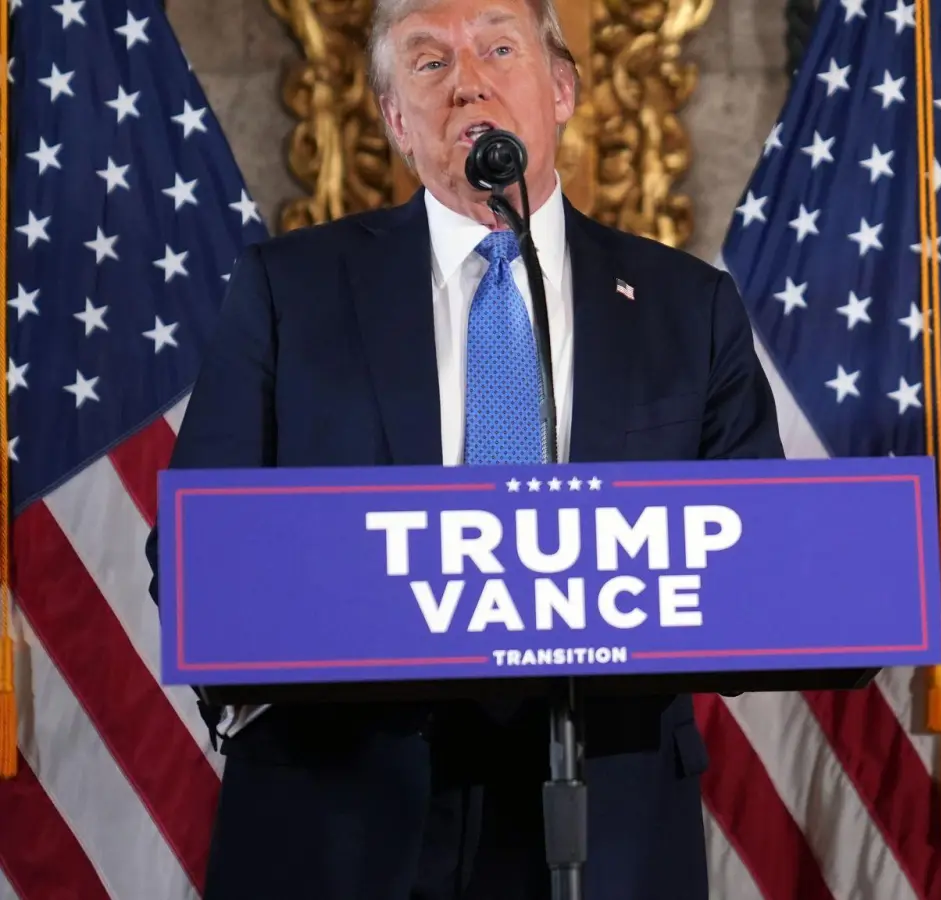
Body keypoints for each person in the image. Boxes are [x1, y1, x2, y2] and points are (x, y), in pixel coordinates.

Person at [145, 0, 782, 897]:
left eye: (497, 47)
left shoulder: (690, 307)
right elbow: (191, 550)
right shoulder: (289, 293)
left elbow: (764, 556)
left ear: (560, 89)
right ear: (395, 120)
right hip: (342, 809)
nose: (469, 81)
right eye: (429, 63)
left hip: (605, 810)